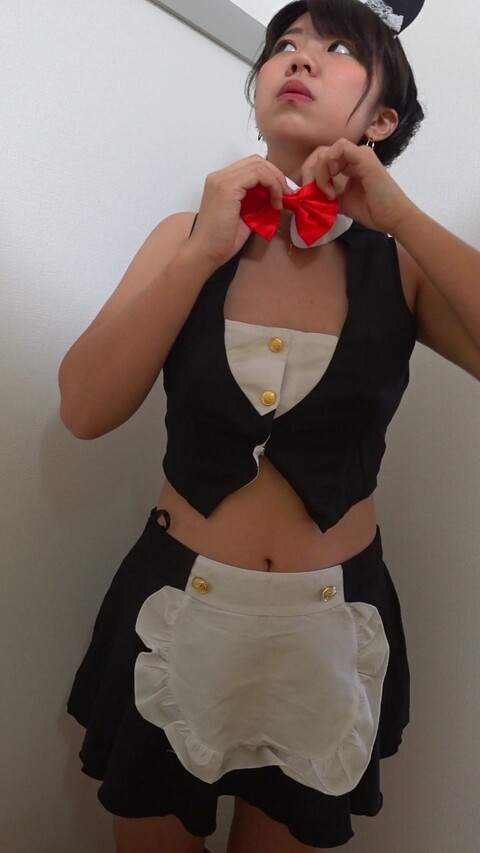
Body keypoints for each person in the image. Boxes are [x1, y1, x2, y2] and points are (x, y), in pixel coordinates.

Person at [59, 1, 480, 851]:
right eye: (283, 44)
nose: (300, 57)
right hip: (175, 608)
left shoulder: (402, 264)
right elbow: (85, 409)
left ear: (383, 118)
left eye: (337, 46)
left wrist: (402, 216)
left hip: (330, 626)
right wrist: (198, 253)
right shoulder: (183, 238)